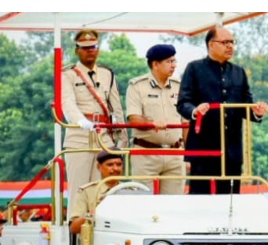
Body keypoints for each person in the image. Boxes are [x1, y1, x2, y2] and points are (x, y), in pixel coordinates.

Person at [177, 26, 268, 194]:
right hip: (203, 147)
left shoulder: (238, 72)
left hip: (231, 149)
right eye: (225, 42)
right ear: (211, 45)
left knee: (230, 199)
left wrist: (257, 112)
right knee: (200, 196)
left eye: (232, 42)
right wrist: (195, 110)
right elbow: (183, 103)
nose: (230, 47)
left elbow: (246, 105)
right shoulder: (194, 69)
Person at [60, 30, 125, 192]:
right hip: (79, 137)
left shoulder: (107, 73)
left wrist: (123, 138)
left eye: (93, 46)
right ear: (77, 50)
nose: (90, 50)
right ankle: (76, 218)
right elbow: (67, 103)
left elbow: (116, 107)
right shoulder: (67, 74)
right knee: (79, 190)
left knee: (105, 190)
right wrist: (82, 122)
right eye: (85, 47)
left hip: (104, 137)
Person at [126, 44, 185, 194]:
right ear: (156, 64)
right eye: (169, 61)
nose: (174, 65)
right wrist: (152, 124)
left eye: (174, 61)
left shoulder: (180, 86)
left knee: (174, 205)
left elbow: (186, 122)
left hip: (175, 153)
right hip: (145, 153)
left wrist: (187, 153)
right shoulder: (137, 86)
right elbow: (134, 119)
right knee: (143, 203)